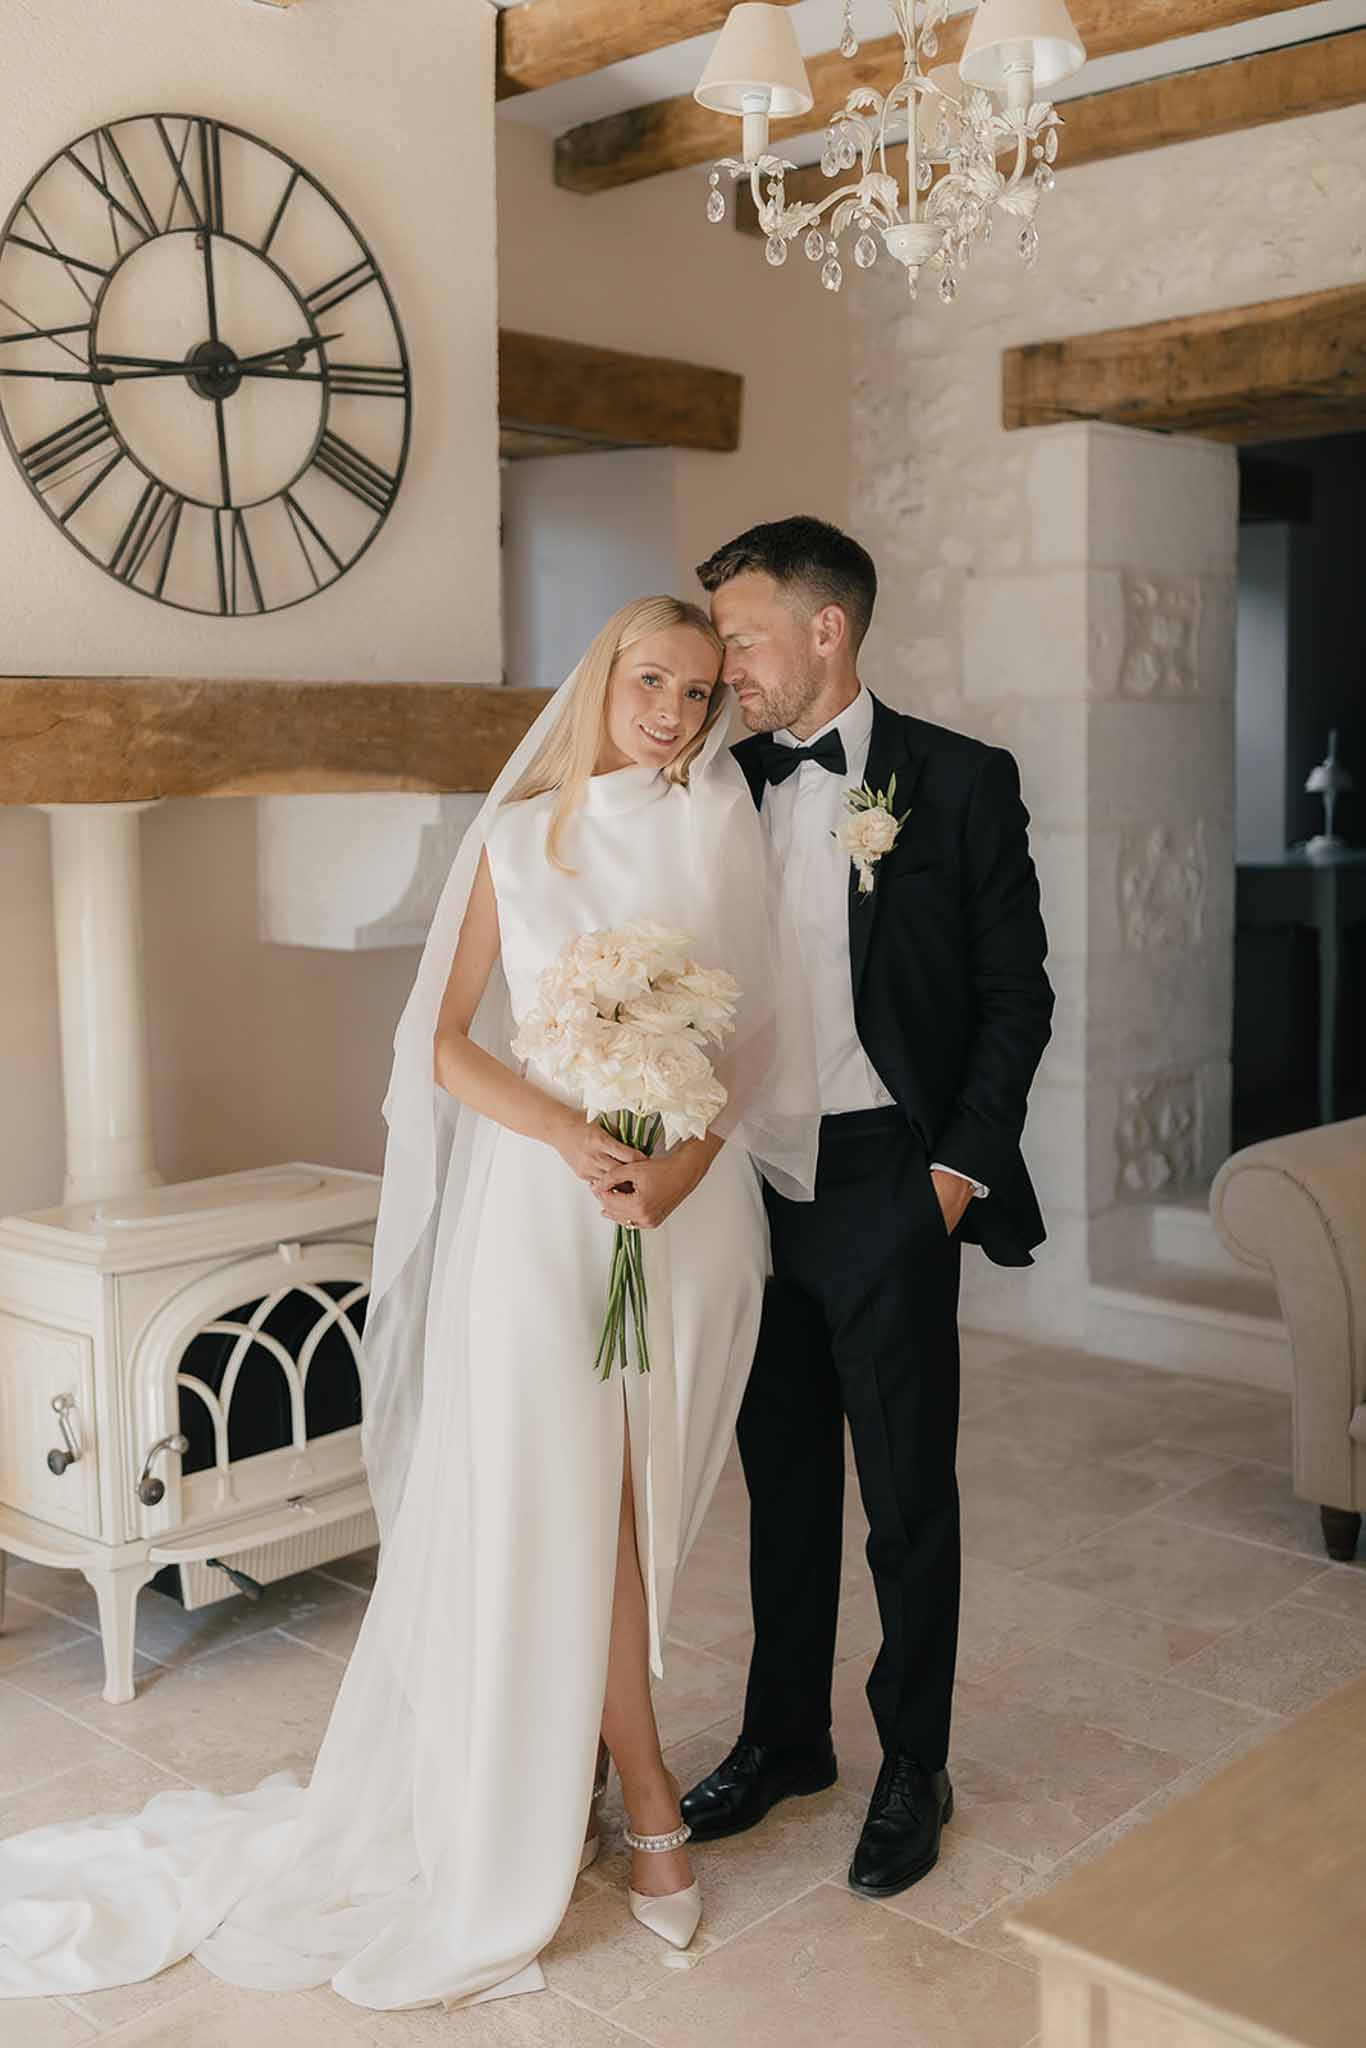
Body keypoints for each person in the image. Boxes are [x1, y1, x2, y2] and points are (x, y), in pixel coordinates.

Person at [0, 597, 817, 2012]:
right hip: (538, 1212)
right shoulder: (518, 839)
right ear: (600, 681)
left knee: (642, 1497)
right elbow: (439, 1041)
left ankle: (589, 1768)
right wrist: (568, 1138)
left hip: (676, 1215)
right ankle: (646, 1801)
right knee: (575, 1502)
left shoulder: (717, 821)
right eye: (649, 681)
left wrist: (672, 1170)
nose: (672, 713)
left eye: (696, 692)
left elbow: (752, 1040)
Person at [681, 517, 1054, 1900]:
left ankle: (915, 1763)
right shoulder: (710, 782)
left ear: (824, 630)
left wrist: (950, 1178)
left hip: (886, 1185)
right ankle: (785, 1741)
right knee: (779, 1489)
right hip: (741, 1193)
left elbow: (1015, 999)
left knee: (903, 1499)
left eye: (739, 632)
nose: (723, 663)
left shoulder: (954, 783)